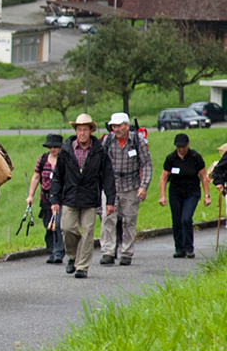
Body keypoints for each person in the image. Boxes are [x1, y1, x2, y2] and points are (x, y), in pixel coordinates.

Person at [49, 112, 114, 279]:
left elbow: (107, 175)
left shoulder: (99, 150)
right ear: (75, 131)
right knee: (67, 229)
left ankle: (82, 266)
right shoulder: (66, 150)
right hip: (69, 196)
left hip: (90, 197)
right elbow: (57, 176)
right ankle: (72, 256)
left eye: (85, 129)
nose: (82, 133)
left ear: (91, 131)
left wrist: (110, 200)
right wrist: (55, 199)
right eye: (79, 129)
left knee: (88, 233)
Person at [98, 112, 149, 266]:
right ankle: (108, 251)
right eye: (114, 126)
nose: (116, 129)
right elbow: (99, 163)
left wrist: (144, 186)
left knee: (129, 220)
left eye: (119, 126)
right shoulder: (107, 141)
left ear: (127, 126)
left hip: (131, 185)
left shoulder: (137, 141)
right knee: (107, 219)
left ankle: (126, 252)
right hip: (110, 185)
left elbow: (146, 163)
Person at [158, 133, 208, 259]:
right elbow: (163, 178)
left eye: (183, 146)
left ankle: (188, 248)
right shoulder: (171, 158)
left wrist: (207, 195)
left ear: (188, 144)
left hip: (192, 192)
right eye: (178, 147)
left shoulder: (195, 157)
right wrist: (162, 195)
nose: (181, 149)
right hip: (175, 193)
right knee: (176, 221)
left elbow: (203, 177)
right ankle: (179, 248)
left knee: (186, 218)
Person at [27, 133, 65, 265]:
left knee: (59, 225)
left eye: (55, 146)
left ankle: (59, 252)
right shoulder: (43, 159)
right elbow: (36, 177)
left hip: (60, 198)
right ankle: (51, 250)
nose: (52, 149)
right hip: (46, 197)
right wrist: (30, 195)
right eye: (50, 146)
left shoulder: (64, 159)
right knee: (48, 225)